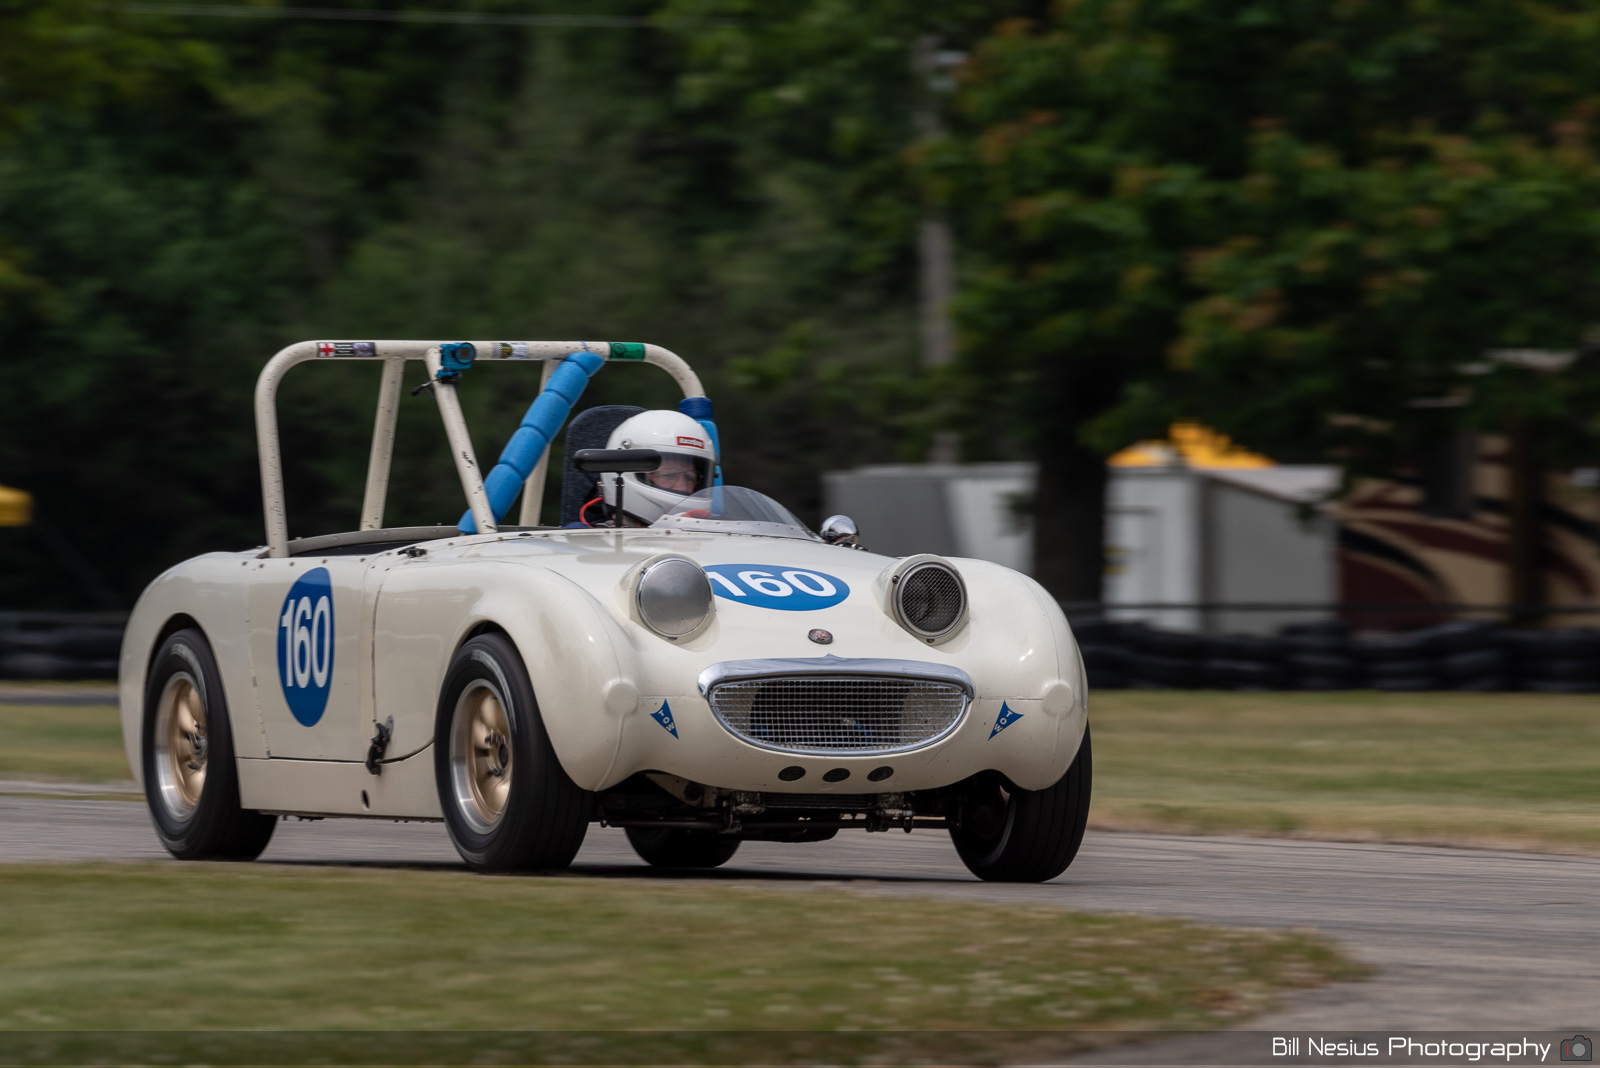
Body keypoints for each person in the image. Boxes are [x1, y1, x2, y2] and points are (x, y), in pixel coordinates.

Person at [577, 410, 716, 526]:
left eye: (690, 477)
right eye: (669, 475)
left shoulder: (716, 538)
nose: (683, 487)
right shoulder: (582, 544)